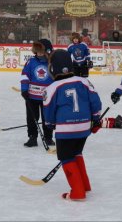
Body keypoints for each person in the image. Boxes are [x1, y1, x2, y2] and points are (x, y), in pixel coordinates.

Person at [43, 49, 102, 201]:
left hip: (65, 130)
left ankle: (77, 191)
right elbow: (95, 102)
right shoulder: (84, 81)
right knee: (76, 153)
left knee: (66, 157)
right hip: (83, 129)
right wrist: (96, 119)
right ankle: (85, 185)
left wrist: (50, 124)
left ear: (53, 68)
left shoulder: (52, 88)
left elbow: (48, 111)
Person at [20, 41, 54, 147]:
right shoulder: (31, 61)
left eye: (41, 51)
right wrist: (24, 90)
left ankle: (48, 138)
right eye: (37, 51)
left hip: (47, 97)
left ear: (47, 51)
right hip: (32, 96)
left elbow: (57, 78)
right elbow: (25, 75)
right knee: (31, 117)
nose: (38, 53)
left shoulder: (52, 63)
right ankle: (32, 137)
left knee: (47, 118)